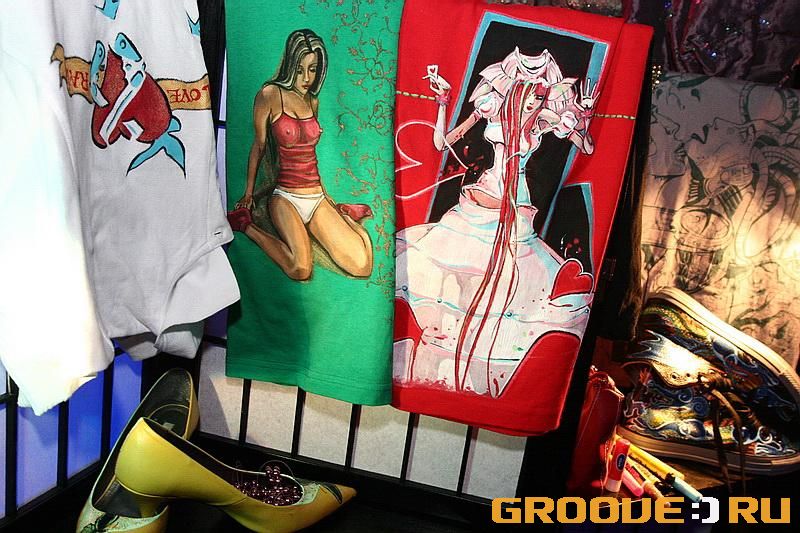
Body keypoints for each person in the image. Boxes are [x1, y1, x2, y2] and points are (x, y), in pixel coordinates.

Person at [394, 48, 598, 396]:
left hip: (516, 206)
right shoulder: (491, 109)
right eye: (530, 94)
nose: (535, 102)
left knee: (505, 288)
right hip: (482, 200)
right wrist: (443, 102)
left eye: (541, 96)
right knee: (454, 282)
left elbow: (588, 148)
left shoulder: (544, 121)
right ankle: (438, 368)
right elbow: (442, 142)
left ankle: (471, 375)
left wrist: (585, 117)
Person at [228, 29, 373, 281]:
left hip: (315, 196)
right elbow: (259, 146)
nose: (306, 78)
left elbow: (310, 156)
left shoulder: (312, 101)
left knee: (363, 266)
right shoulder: (270, 95)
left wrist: (326, 197)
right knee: (300, 269)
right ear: (289, 66)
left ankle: (346, 215)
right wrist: (248, 193)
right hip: (285, 196)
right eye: (299, 70)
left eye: (313, 69)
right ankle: (245, 225)